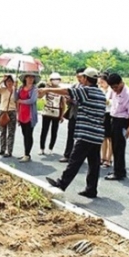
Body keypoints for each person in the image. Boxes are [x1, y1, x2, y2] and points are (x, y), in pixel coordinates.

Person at [41, 68, 106, 198]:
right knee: (94, 164)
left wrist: (47, 89)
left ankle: (62, 183)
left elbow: (67, 91)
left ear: (86, 79)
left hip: (86, 133)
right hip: (97, 133)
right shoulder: (100, 93)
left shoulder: (86, 90)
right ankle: (91, 189)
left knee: (75, 160)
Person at [104, 73, 129, 181]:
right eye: (112, 87)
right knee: (115, 146)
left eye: (116, 87)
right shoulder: (113, 90)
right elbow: (107, 98)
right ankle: (118, 170)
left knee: (119, 147)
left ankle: (119, 173)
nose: (115, 89)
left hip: (122, 121)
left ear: (121, 83)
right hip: (113, 119)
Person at [59, 67, 85, 162]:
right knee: (70, 136)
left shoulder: (86, 88)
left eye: (81, 77)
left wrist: (73, 101)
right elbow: (68, 98)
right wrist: (68, 100)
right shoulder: (74, 86)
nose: (79, 79)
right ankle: (67, 155)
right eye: (78, 76)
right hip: (73, 114)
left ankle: (78, 157)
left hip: (82, 116)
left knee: (81, 138)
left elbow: (83, 102)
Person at [38, 72, 66, 155]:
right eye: (54, 79)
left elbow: (63, 104)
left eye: (58, 79)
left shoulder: (61, 90)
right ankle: (42, 148)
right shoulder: (47, 89)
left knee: (54, 131)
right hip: (47, 112)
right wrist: (45, 88)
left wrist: (62, 115)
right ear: (50, 80)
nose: (56, 81)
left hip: (56, 112)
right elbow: (39, 96)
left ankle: (51, 148)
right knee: (44, 130)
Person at [15, 72, 40, 163]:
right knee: (24, 134)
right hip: (22, 114)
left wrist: (21, 101)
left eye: (32, 77)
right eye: (28, 77)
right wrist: (14, 88)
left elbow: (32, 100)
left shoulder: (34, 89)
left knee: (28, 135)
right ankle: (26, 153)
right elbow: (15, 98)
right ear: (25, 78)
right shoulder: (21, 88)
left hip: (30, 115)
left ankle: (27, 154)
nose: (30, 79)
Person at [0, 74, 17, 158]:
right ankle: (2, 149)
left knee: (11, 133)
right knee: (2, 132)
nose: (9, 83)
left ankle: (9, 151)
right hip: (3, 112)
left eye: (11, 81)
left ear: (13, 82)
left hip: (12, 112)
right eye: (7, 81)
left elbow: (18, 102)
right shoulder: (3, 90)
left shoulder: (16, 91)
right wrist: (2, 79)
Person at [99, 73, 114, 168]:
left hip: (110, 114)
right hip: (103, 114)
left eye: (102, 82)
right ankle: (103, 157)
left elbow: (113, 102)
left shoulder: (112, 90)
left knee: (110, 138)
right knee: (103, 137)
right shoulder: (100, 90)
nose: (101, 84)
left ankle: (109, 159)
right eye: (99, 82)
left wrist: (105, 101)